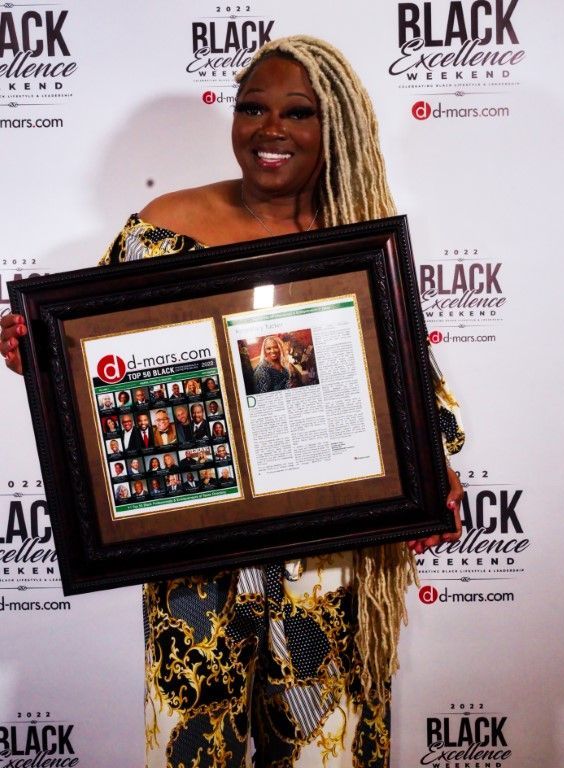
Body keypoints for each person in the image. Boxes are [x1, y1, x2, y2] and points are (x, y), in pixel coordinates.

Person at [1, 35, 464, 768]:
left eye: (297, 113)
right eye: (253, 108)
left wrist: (430, 475)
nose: (270, 129)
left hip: (328, 557)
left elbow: (413, 392)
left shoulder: (354, 246)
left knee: (328, 752)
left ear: (334, 125)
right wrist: (39, 355)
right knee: (193, 750)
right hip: (196, 554)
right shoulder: (163, 228)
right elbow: (88, 359)